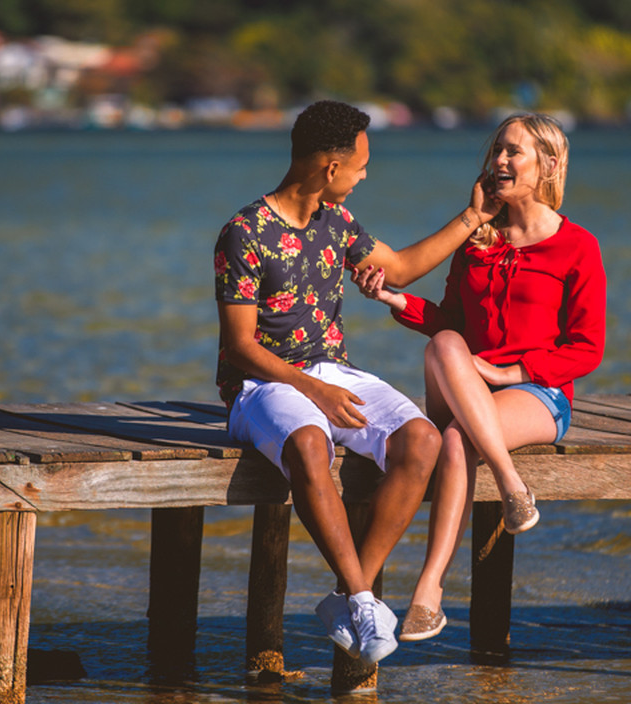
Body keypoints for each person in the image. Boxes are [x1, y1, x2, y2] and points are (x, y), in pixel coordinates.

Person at [214, 100, 500, 663]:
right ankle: (366, 599)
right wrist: (313, 392)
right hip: (262, 385)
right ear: (329, 167)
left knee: (423, 439)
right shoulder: (243, 233)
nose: (366, 174)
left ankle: (348, 595)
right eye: (361, 165)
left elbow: (399, 268)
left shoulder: (336, 222)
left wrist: (472, 218)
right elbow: (239, 347)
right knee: (309, 443)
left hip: (336, 371)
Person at [352, 112, 606, 642]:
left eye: (515, 152)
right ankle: (512, 485)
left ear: (550, 164)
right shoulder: (475, 241)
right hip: (465, 381)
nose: (501, 161)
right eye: (498, 151)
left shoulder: (577, 246)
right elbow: (450, 324)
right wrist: (393, 298)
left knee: (453, 438)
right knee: (446, 344)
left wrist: (510, 370)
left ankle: (428, 593)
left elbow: (586, 349)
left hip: (536, 392)